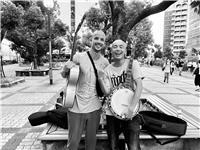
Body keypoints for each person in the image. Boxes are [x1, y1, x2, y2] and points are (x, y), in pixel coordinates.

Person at [61, 30, 109, 150]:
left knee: (91, 143)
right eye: (96, 38)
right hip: (76, 106)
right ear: (91, 40)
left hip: (95, 106)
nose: (99, 41)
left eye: (102, 39)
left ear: (104, 43)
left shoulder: (105, 62)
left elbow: (106, 85)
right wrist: (66, 69)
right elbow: (64, 75)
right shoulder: (79, 57)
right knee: (73, 143)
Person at [103, 39, 143, 150]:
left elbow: (139, 85)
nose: (118, 49)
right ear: (111, 50)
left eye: (121, 46)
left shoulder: (133, 63)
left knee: (134, 147)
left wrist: (131, 108)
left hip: (131, 112)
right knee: (113, 146)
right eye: (115, 46)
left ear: (125, 50)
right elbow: (107, 92)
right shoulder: (107, 70)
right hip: (112, 113)